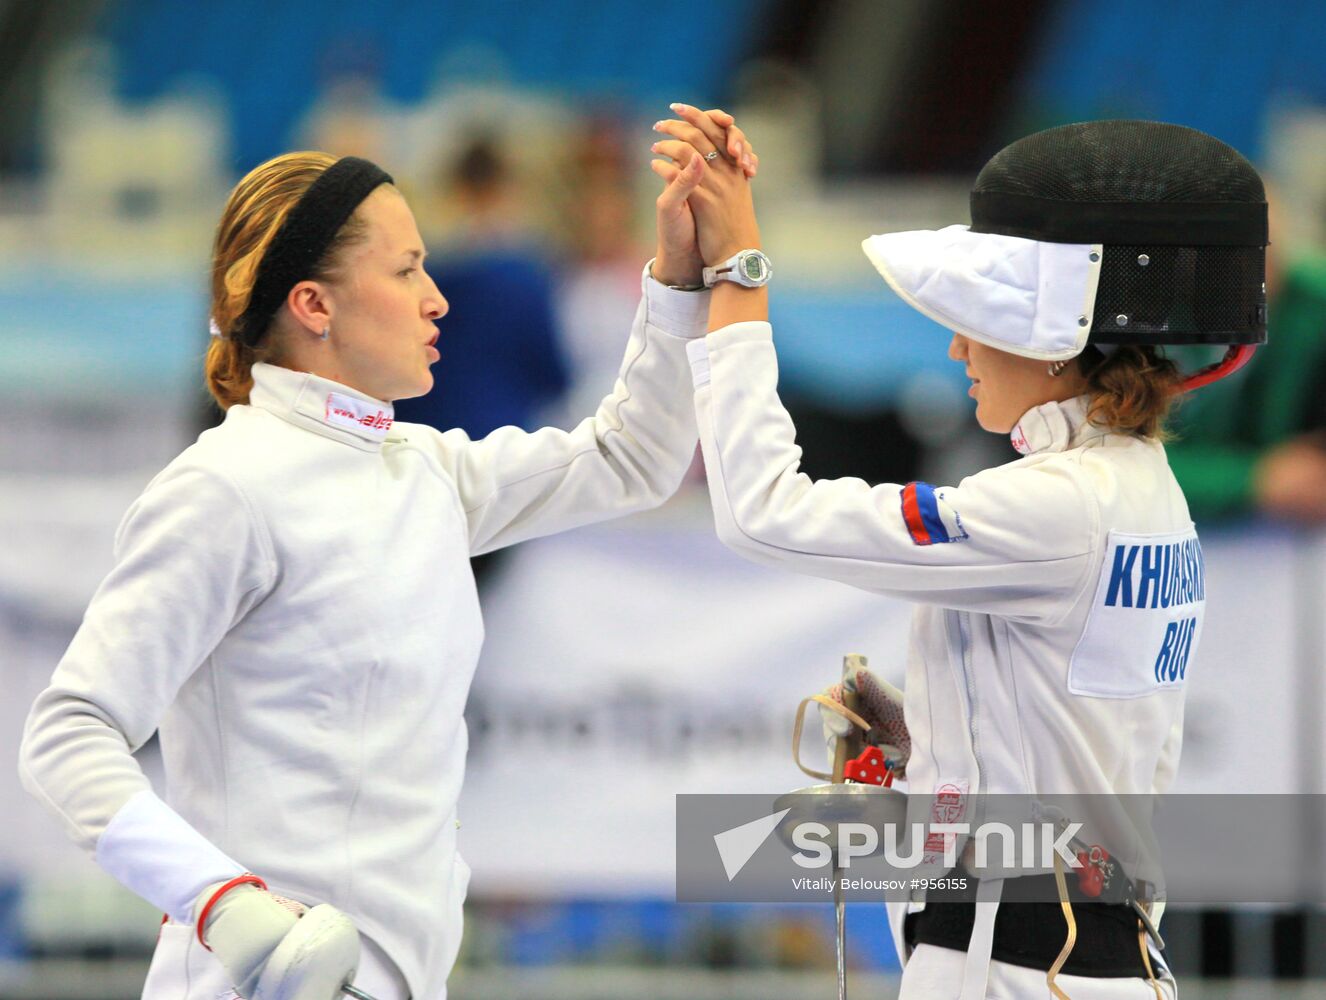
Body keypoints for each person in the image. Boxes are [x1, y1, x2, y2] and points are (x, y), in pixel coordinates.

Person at [18, 111, 755, 1000]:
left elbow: (632, 458)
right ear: (313, 304)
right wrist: (227, 908)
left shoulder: (427, 472)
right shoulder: (225, 487)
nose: (435, 298)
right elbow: (67, 734)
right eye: (407, 270)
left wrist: (680, 275)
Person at [654, 110, 1266, 998]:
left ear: (1057, 345)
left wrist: (738, 267)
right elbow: (1069, 727)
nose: (958, 346)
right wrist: (925, 737)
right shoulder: (1140, 485)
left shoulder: (1058, 505)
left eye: (982, 319)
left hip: (1021, 971)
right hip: (1075, 963)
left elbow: (762, 511)